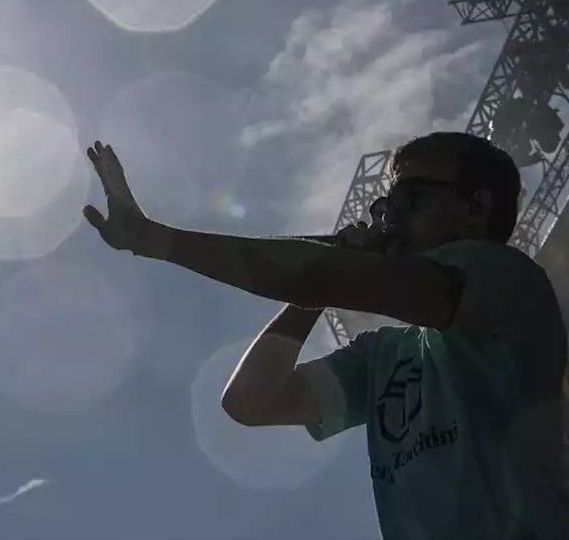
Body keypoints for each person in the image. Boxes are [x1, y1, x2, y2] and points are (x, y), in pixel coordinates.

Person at [84, 131, 566, 540]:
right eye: (386, 205)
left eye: (411, 200)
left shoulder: (506, 280)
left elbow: (320, 277)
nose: (390, 220)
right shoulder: (385, 355)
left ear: (476, 207)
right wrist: (328, 271)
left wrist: (156, 240)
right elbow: (251, 401)